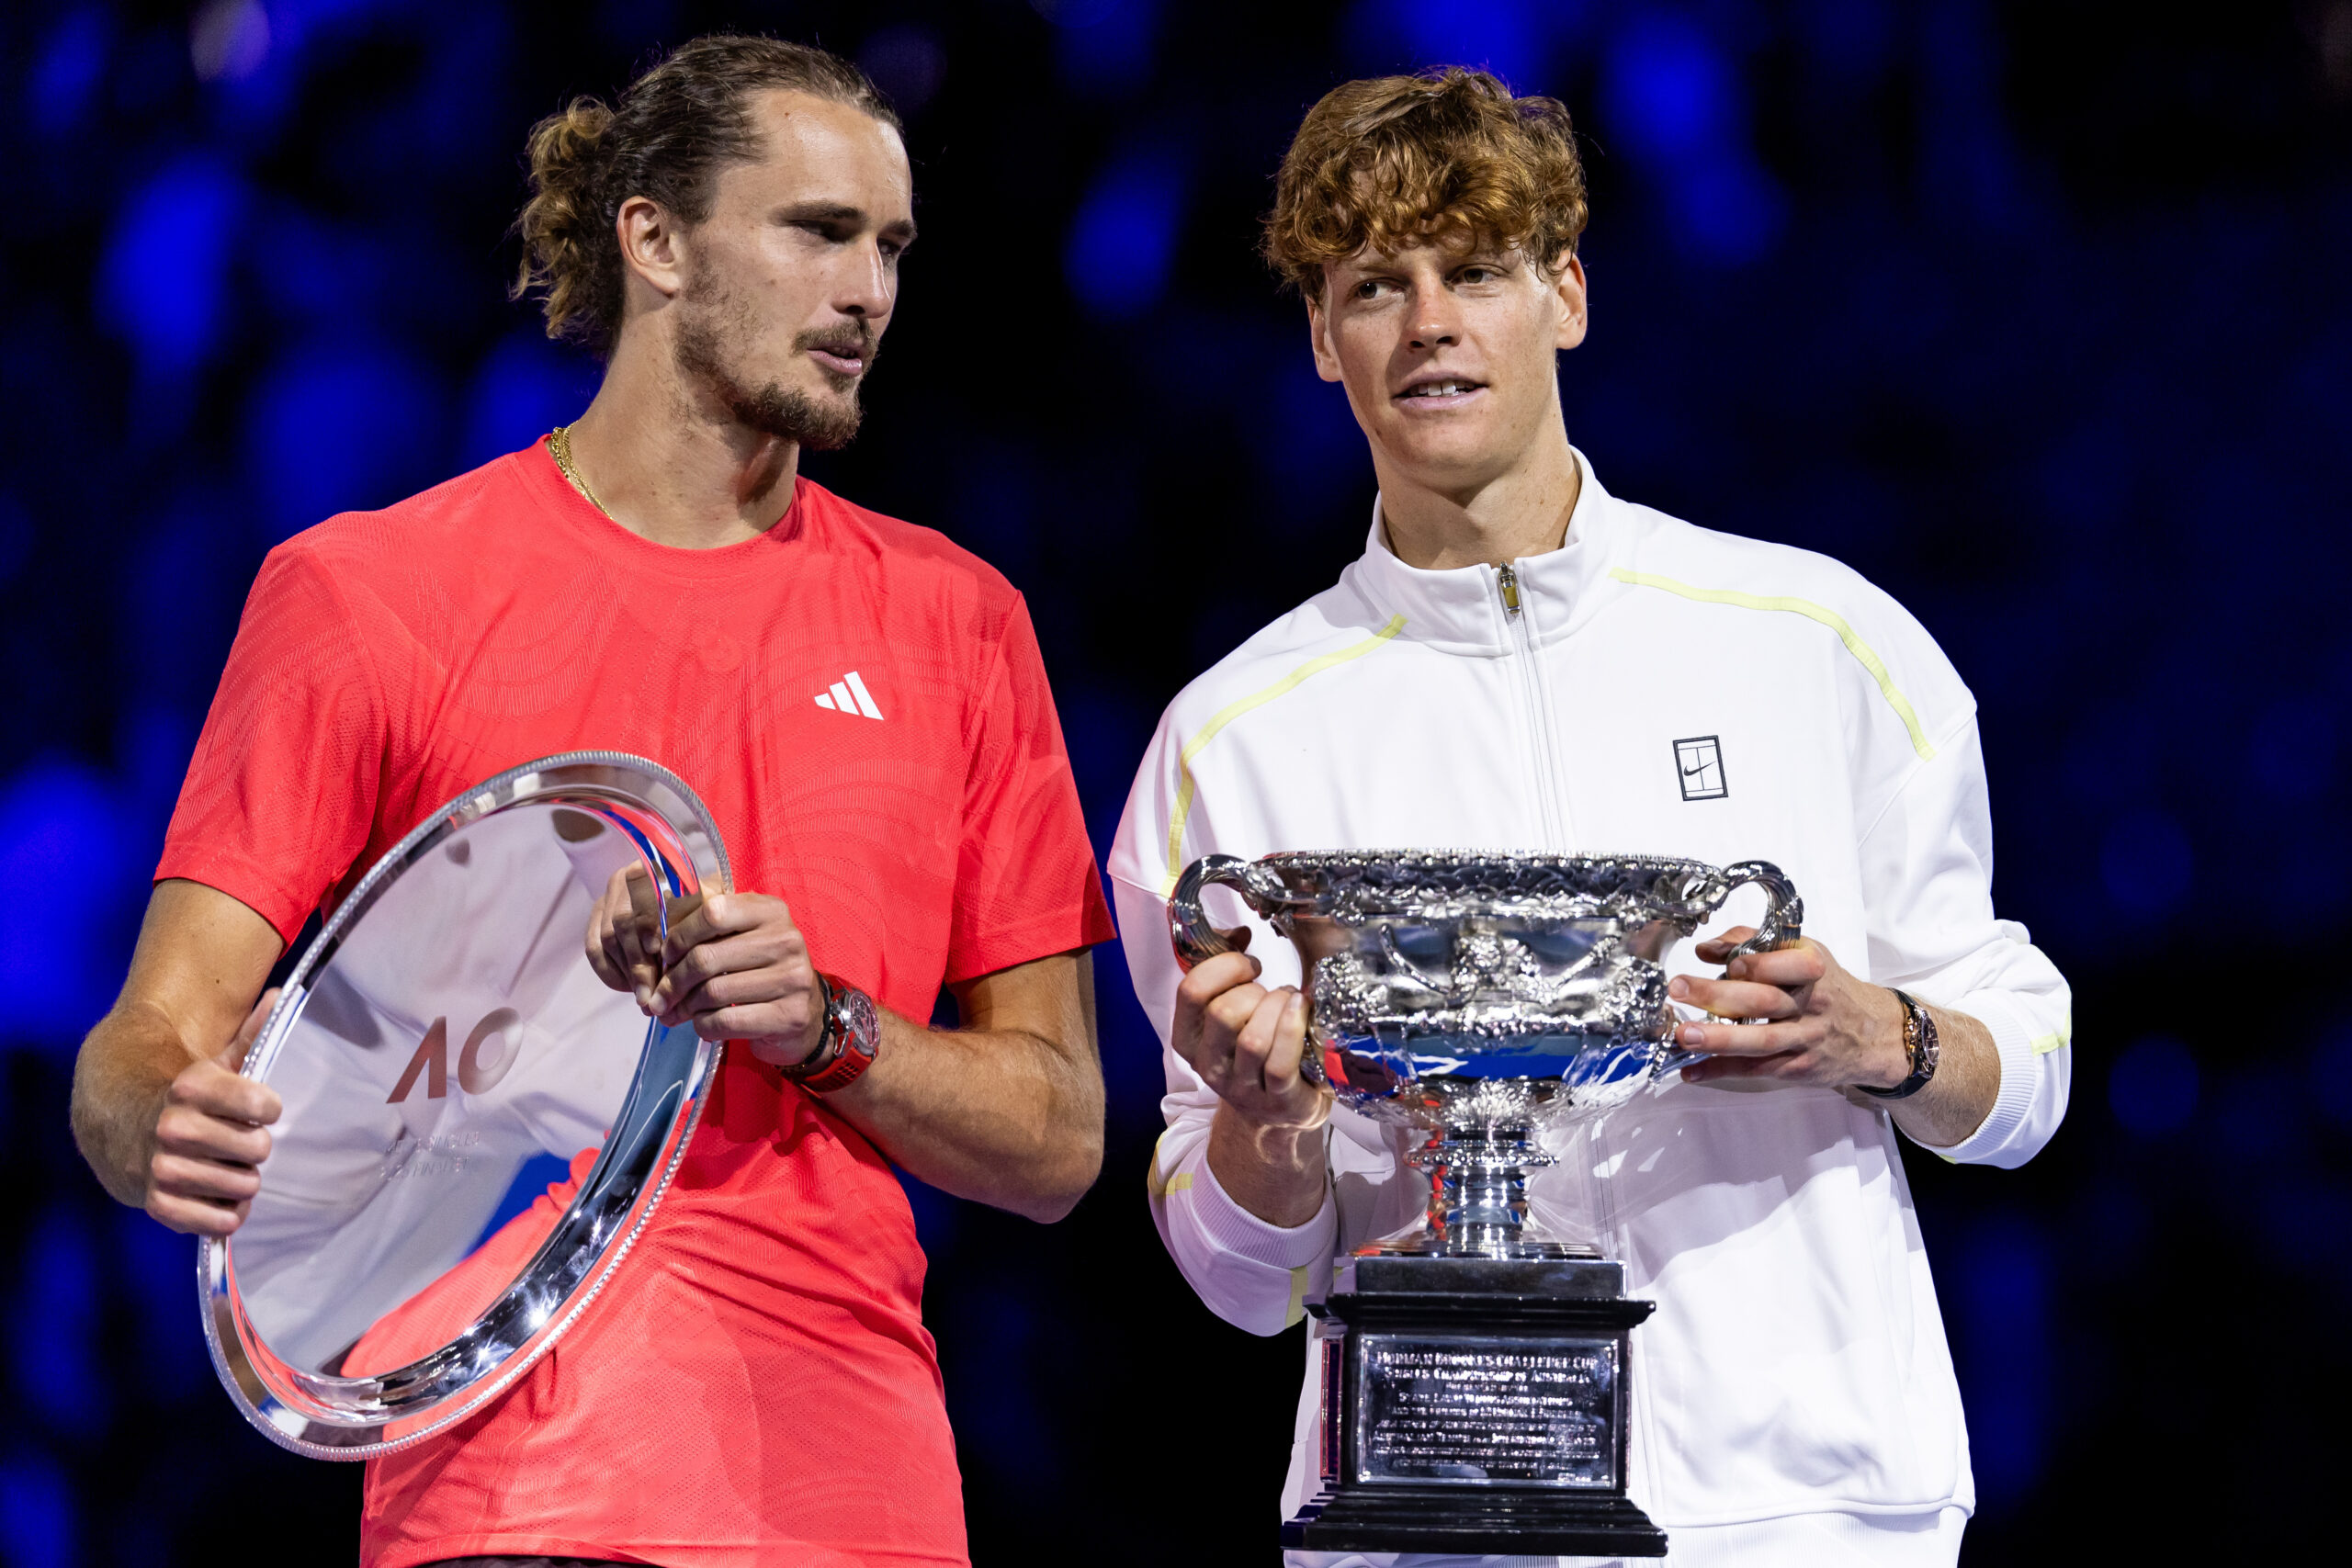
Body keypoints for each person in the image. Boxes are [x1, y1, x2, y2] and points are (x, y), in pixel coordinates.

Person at [71, 35, 1114, 1568]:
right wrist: (166, 1122)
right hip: (500, 1497)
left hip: (860, 1498)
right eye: (818, 233)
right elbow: (140, 1048)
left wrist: (825, 1025)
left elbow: (1058, 1138)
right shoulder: (367, 593)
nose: (870, 293)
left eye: (891, 247)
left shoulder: (961, 624)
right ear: (655, 239)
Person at [1108, 69, 2072, 1568]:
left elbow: (2031, 1071)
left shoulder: (1815, 638)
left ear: (1565, 292)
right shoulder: (1234, 737)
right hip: (1427, 1530)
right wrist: (1265, 1126)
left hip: (1809, 1516)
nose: (1430, 322)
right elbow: (1237, 1275)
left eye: (1476, 271)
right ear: (1321, 337)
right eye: (1375, 285)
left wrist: (1883, 1039)